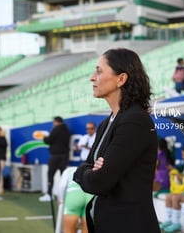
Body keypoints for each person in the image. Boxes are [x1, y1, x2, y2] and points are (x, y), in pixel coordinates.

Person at [73, 48, 160, 233]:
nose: (92, 78)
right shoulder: (107, 123)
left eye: (99, 71)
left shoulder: (134, 120)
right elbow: (87, 167)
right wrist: (87, 170)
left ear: (121, 79)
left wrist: (87, 172)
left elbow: (99, 182)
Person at [40, 116, 71, 202]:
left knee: (50, 174)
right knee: (63, 176)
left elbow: (48, 140)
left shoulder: (56, 129)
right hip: (65, 156)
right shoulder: (67, 130)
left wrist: (44, 137)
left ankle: (49, 194)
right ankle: (64, 195)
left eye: (54, 122)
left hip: (56, 156)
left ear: (56, 122)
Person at [58, 166, 92, 233]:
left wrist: (61, 200)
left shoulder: (68, 170)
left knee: (68, 231)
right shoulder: (90, 167)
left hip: (73, 194)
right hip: (90, 196)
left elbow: (62, 187)